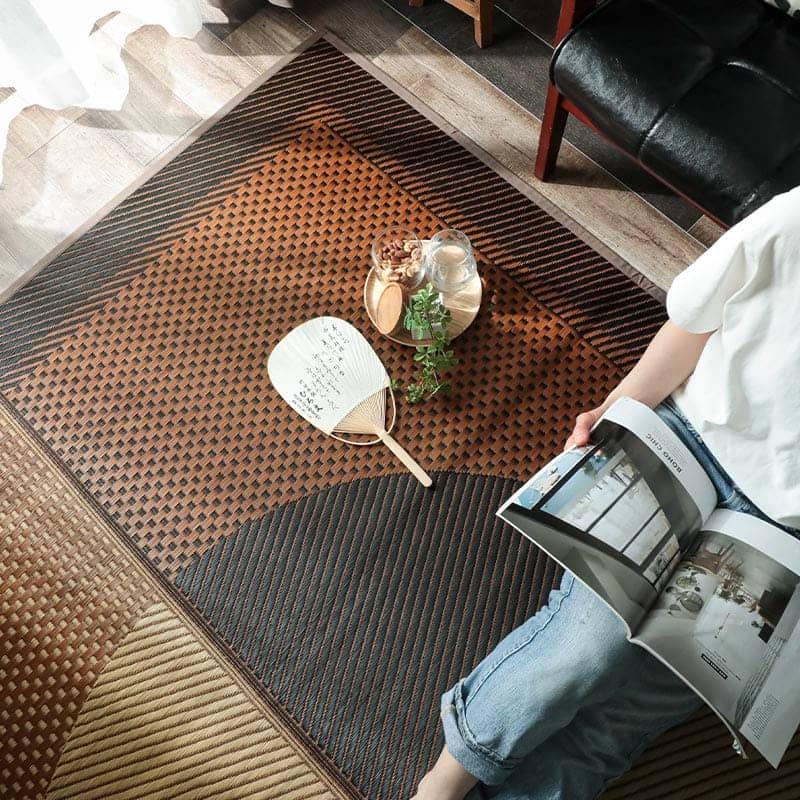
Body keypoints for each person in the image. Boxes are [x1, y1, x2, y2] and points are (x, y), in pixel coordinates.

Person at [411, 186, 800, 800]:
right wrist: (615, 411)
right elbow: (694, 324)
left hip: (784, 537)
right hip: (687, 443)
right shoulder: (793, 218)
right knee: (591, 650)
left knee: (641, 703)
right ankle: (446, 779)